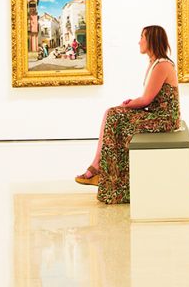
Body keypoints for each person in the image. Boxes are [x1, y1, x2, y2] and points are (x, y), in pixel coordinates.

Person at [75, 25, 182, 204]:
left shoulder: (162, 65)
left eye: (142, 37)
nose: (139, 41)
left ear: (152, 41)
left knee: (114, 116)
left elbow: (146, 99)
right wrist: (130, 104)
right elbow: (148, 99)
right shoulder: (155, 63)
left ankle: (99, 170)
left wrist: (129, 104)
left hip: (164, 119)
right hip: (155, 114)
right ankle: (102, 171)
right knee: (112, 114)